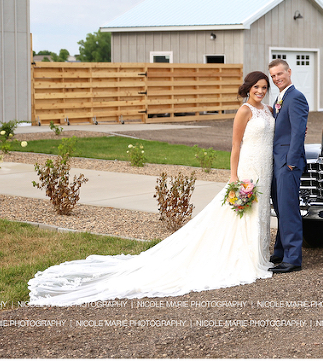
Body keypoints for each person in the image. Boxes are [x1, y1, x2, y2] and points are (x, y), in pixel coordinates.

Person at [27, 72, 275, 306]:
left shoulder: (267, 109)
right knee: (244, 211)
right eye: (257, 87)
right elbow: (235, 145)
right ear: (248, 88)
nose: (261, 91)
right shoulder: (244, 111)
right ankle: (245, 257)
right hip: (249, 167)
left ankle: (258, 254)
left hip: (266, 167)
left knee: (260, 210)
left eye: (264, 87)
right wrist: (233, 176)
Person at [267, 59, 309, 274]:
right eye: (273, 76)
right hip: (278, 161)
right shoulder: (280, 98)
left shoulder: (296, 97)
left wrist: (291, 162)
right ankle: (280, 252)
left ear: (289, 72)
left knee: (288, 209)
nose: (276, 79)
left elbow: (298, 132)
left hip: (288, 163)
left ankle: (293, 258)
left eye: (279, 74)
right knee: (280, 208)